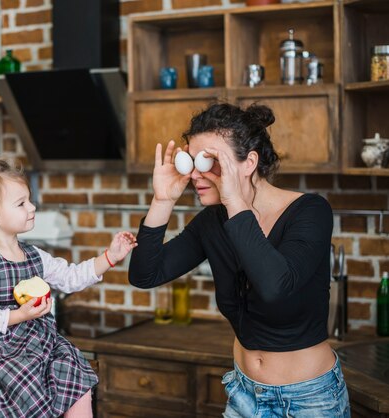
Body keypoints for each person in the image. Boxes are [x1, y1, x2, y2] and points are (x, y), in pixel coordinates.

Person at [128, 103, 350, 417]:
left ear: (249, 163)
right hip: (244, 395)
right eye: (193, 160)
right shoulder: (212, 222)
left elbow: (275, 286)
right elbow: (145, 274)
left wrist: (234, 200)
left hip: (310, 399)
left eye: (210, 160)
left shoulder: (310, 212)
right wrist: (162, 200)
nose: (195, 174)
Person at [0, 159, 137, 418]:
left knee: (75, 369)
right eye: (21, 203)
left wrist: (110, 257)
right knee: (25, 382)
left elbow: (71, 277)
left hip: (37, 342)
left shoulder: (34, 256)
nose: (32, 207)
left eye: (29, 200)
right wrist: (19, 316)